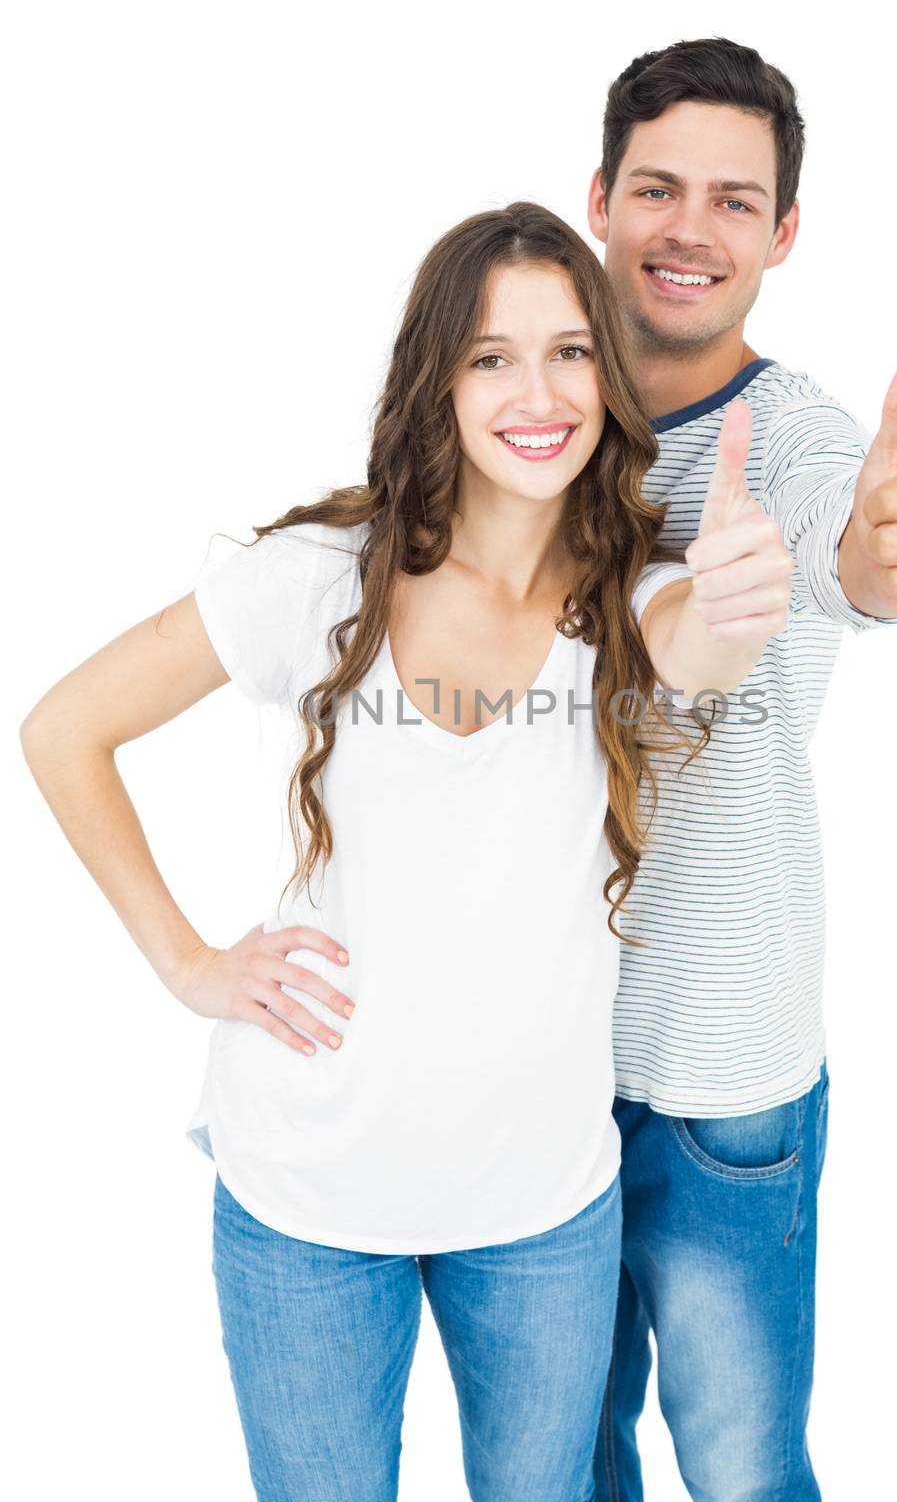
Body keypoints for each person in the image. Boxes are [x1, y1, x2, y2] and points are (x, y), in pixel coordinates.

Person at [19, 202, 796, 1502]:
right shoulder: (327, 579)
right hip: (309, 1200)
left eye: (568, 351)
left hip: (542, 1209)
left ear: (609, 373)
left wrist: (734, 602)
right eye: (491, 356)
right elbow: (64, 730)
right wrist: (190, 962)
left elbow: (699, 647)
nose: (535, 392)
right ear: (438, 382)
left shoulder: (631, 590)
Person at [584, 38, 897, 1501]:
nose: (691, 229)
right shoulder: (526, 422)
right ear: (602, 201)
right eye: (659, 189)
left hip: (721, 1069)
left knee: (743, 1468)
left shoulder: (801, 440)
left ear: (782, 235)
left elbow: (843, 541)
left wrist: (889, 558)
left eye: (735, 201)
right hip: (535, 1064)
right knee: (561, 1465)